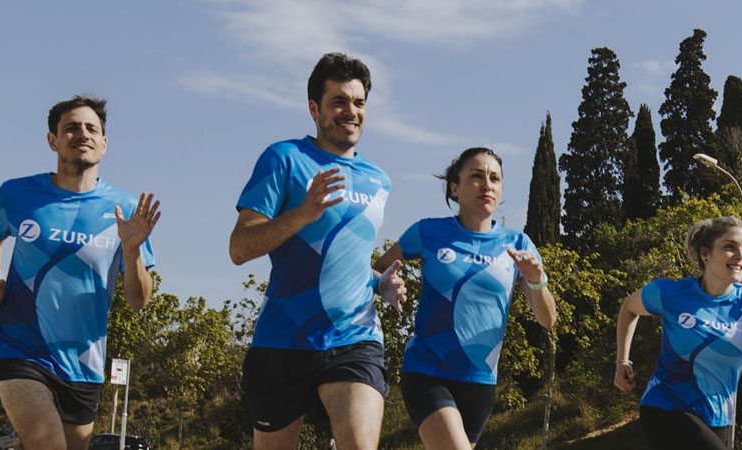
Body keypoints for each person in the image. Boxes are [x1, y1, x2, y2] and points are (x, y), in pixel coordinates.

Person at [229, 52, 406, 450]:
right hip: (283, 339)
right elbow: (239, 247)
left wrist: (380, 284)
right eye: (339, 101)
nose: (351, 111)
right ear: (314, 108)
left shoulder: (379, 180)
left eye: (359, 102)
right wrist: (303, 213)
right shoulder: (284, 158)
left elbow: (346, 258)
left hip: (355, 337)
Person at [0, 95, 160, 450]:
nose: (82, 134)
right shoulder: (17, 193)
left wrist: (133, 249)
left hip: (83, 361)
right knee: (46, 443)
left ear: (104, 144)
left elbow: (138, 301)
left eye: (92, 128)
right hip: (19, 346)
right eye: (71, 127)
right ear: (53, 140)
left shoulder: (124, 209)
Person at [373, 147, 557, 449]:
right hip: (427, 372)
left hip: (481, 382)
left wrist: (537, 281)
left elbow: (547, 320)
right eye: (477, 176)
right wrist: (386, 283)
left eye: (495, 178)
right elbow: (379, 269)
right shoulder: (427, 232)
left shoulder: (518, 244)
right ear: (455, 188)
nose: (487, 184)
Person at [614, 216, 742, 450]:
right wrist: (622, 361)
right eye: (730, 247)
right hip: (666, 406)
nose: (740, 256)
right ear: (705, 254)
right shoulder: (671, 293)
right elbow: (628, 308)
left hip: (719, 417)